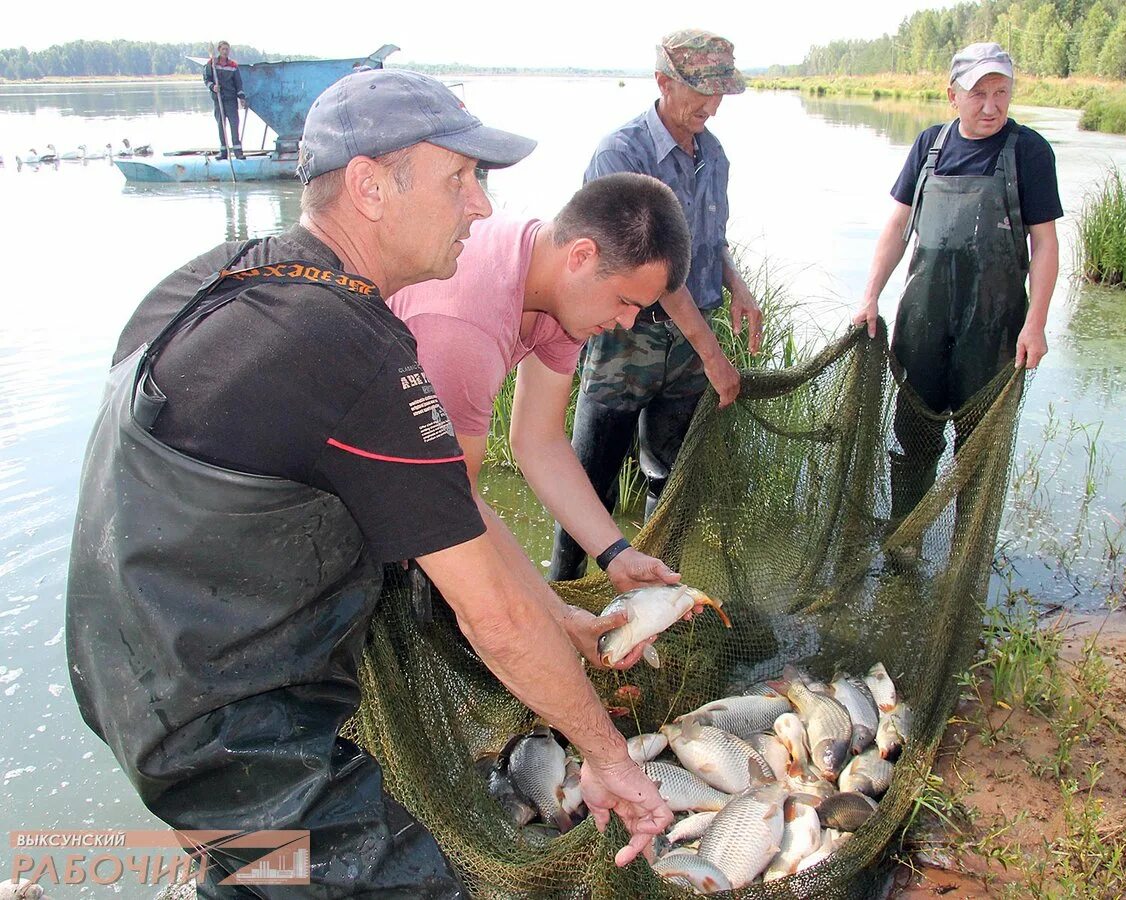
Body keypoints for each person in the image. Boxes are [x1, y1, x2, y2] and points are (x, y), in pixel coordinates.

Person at [65, 69, 671, 898]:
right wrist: (609, 759)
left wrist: (560, 606)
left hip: (127, 674)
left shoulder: (219, 274)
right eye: (461, 180)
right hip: (225, 728)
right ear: (370, 185)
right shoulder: (357, 351)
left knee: (260, 870)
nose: (483, 207)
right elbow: (490, 612)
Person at [389, 174, 691, 591]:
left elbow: (539, 440)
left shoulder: (556, 287)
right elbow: (455, 501)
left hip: (418, 473)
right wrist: (554, 616)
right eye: (625, 302)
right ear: (582, 256)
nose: (626, 323)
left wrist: (617, 554)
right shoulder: (464, 330)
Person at [550, 29, 763, 582]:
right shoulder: (621, 153)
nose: (712, 106)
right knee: (590, 478)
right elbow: (653, 271)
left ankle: (651, 592)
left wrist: (737, 285)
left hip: (693, 340)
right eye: (701, 90)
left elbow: (708, 242)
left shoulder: (712, 154)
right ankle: (565, 594)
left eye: (721, 93)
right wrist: (713, 353)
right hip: (627, 331)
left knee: (665, 478)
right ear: (663, 81)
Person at [852, 42, 1061, 520]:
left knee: (978, 447)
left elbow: (1045, 245)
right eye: (978, 94)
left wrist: (1037, 323)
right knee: (913, 440)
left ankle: (964, 555)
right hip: (923, 320)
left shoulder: (1028, 151)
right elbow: (897, 225)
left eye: (1001, 93)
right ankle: (905, 542)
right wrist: (870, 296)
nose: (991, 107)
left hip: (993, 327)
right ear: (953, 95)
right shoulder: (930, 144)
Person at [203, 40, 247, 161]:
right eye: (223, 49)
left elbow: (238, 83)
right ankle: (223, 152)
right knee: (221, 125)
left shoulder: (233, 65)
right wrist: (213, 87)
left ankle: (238, 152)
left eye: (227, 49)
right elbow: (206, 79)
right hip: (218, 100)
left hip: (231, 100)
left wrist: (241, 98)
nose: (225, 51)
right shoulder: (212, 64)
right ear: (219, 50)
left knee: (234, 124)